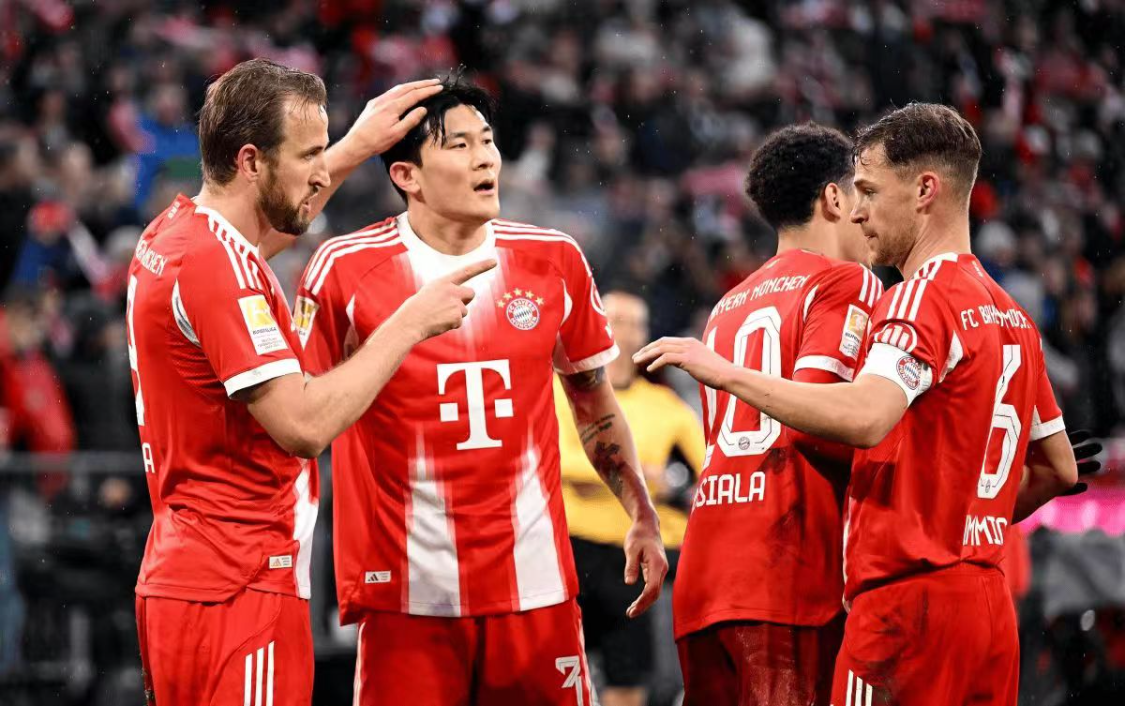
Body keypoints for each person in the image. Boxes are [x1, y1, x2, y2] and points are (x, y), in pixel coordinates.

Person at [635, 103, 1079, 706]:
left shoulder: (746, 304)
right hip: (980, 600)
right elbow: (1059, 468)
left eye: (870, 191)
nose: (861, 210)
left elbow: (856, 418)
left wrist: (727, 373)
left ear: (924, 190)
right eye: (856, 191)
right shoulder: (1015, 317)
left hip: (825, 585)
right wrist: (961, 511)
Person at [295, 72, 668, 706]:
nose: (486, 158)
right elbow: (301, 414)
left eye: (488, 141)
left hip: (536, 587)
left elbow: (594, 404)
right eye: (460, 145)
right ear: (407, 175)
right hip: (405, 595)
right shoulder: (343, 269)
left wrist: (641, 512)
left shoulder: (555, 259)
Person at [128, 58, 489, 706]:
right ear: (250, 161)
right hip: (240, 583)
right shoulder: (216, 267)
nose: (323, 172)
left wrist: (355, 145)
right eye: (309, 155)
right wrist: (408, 324)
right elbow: (303, 426)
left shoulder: (177, 235)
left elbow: (262, 236)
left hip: (189, 575)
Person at [666, 124, 880, 706]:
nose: (869, 216)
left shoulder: (727, 305)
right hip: (787, 568)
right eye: (863, 193)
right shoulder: (846, 281)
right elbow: (820, 418)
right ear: (834, 199)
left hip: (707, 572)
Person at [554, 290, 704, 706]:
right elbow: (556, 462)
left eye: (636, 323)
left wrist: (672, 487)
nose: (625, 332)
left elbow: (711, 473)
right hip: (571, 553)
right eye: (616, 320)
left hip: (633, 563)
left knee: (631, 676)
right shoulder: (559, 389)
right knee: (557, 672)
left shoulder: (667, 406)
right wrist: (643, 479)